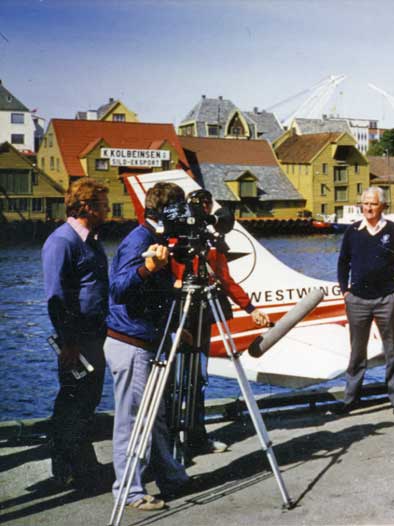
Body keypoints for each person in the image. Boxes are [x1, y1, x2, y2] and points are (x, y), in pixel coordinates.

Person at [105, 182, 190, 511]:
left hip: (149, 339)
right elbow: (120, 289)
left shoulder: (155, 239)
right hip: (131, 342)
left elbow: (153, 291)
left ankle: (170, 475)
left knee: (155, 416)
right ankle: (129, 490)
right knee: (132, 419)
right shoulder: (140, 241)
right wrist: (149, 268)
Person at [175, 189, 271, 455]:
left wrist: (251, 308)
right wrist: (179, 326)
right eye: (204, 206)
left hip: (201, 317)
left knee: (198, 378)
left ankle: (195, 436)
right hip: (181, 319)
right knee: (177, 380)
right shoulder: (180, 241)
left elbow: (225, 280)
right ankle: (174, 439)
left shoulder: (210, 244)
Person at [42, 178, 110, 489]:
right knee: (73, 398)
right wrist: (68, 342)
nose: (108, 210)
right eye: (102, 205)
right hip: (76, 338)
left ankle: (79, 463)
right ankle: (67, 467)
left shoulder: (90, 240)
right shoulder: (62, 242)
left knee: (87, 398)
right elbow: (56, 297)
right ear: (86, 207)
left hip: (93, 334)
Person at [336, 187, 394, 417]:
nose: (368, 208)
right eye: (365, 203)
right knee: (357, 352)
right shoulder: (352, 232)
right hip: (357, 300)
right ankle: (350, 399)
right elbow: (343, 263)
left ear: (383, 206)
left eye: (373, 204)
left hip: (386, 300)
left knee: (392, 351)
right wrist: (345, 292)